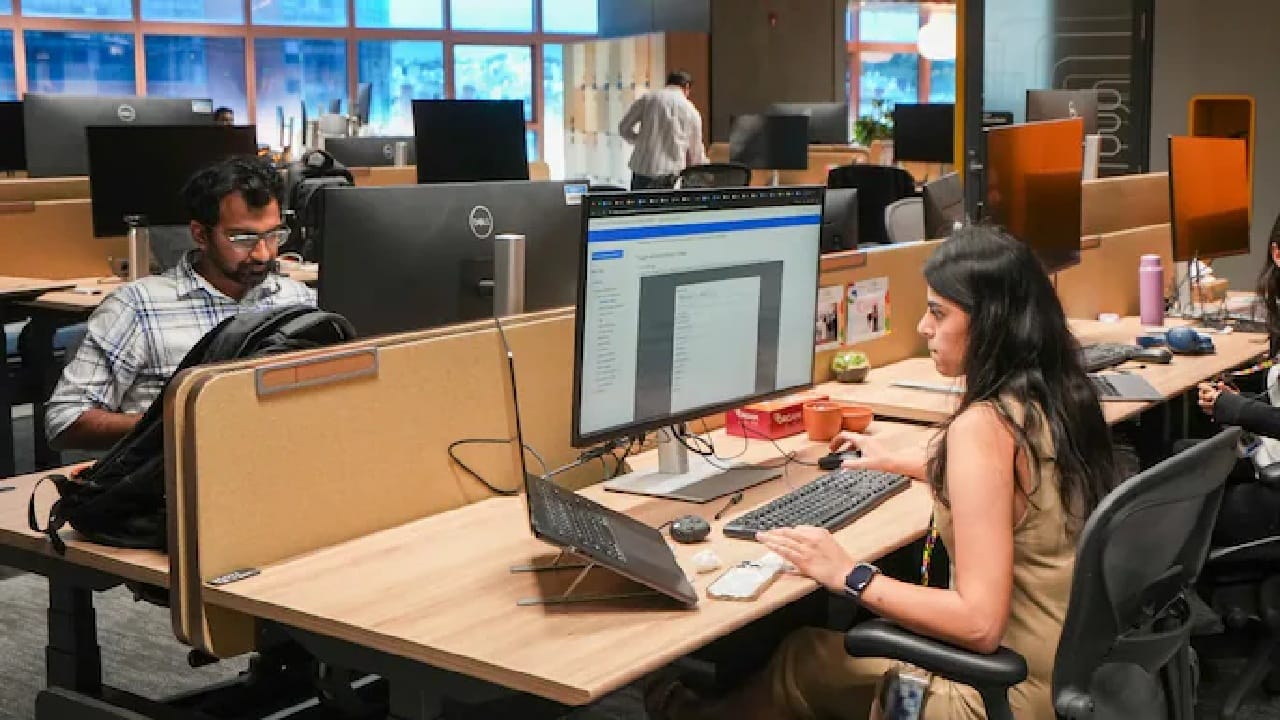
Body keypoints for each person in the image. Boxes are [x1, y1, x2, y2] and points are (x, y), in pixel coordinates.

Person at [651, 226, 1118, 720]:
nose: (923, 326)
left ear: (991, 323)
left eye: (938, 312)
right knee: (819, 650)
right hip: (1069, 677)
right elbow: (1014, 489)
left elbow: (980, 624)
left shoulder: (984, 427)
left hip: (987, 698)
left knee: (801, 661)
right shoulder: (1054, 397)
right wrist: (900, 462)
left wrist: (849, 574)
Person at [45, 156, 315, 451]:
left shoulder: (298, 300)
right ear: (200, 234)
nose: (263, 254)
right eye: (243, 238)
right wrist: (179, 423)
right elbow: (65, 421)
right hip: (181, 472)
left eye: (273, 235)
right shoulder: (138, 308)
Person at [618, 70, 708, 191]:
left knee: (639, 203)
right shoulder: (691, 111)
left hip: (642, 169)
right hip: (670, 174)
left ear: (668, 83)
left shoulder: (648, 98)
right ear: (687, 87)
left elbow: (624, 128)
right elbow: (695, 152)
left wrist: (641, 141)